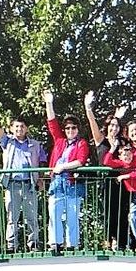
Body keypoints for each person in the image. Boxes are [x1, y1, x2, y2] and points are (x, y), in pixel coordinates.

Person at [0, 99, 45, 253]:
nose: (19, 129)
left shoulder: (35, 144)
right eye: (16, 126)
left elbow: (42, 161)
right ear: (12, 128)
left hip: (29, 184)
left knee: (32, 216)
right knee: (12, 217)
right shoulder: (8, 142)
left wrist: (41, 179)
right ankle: (11, 245)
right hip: (13, 184)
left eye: (22, 126)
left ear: (26, 129)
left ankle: (34, 243)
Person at [42, 89, 90, 251]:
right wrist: (49, 102)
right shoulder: (60, 140)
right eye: (68, 128)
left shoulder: (81, 143)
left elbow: (80, 161)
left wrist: (63, 166)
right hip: (57, 182)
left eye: (74, 128)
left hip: (71, 183)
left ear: (78, 129)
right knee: (54, 213)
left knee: (72, 215)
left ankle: (72, 244)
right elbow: (52, 122)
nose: (70, 130)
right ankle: (55, 243)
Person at [86, 93, 134, 250]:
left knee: (122, 211)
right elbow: (92, 122)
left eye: (117, 126)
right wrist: (88, 108)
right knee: (108, 211)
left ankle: (121, 242)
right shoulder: (101, 140)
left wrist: (119, 117)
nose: (114, 128)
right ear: (107, 127)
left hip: (121, 180)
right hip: (106, 181)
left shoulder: (123, 141)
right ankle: (108, 239)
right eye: (112, 125)